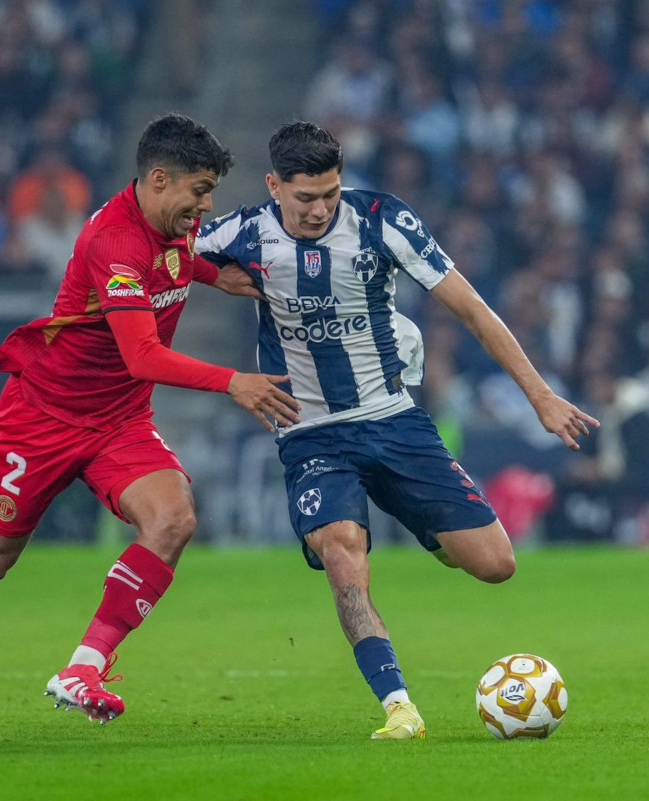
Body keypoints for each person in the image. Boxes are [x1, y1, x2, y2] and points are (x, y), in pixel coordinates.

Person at [0, 114, 301, 722]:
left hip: (119, 421)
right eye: (200, 190)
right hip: (43, 417)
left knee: (173, 518)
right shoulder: (114, 241)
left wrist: (225, 277)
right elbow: (142, 356)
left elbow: (179, 261)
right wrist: (232, 380)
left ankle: (84, 667)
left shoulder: (173, 224)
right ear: (159, 179)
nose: (207, 207)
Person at [196, 122, 597, 740]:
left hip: (392, 419)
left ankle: (419, 521)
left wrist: (540, 396)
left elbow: (471, 309)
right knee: (341, 548)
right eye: (305, 198)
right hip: (312, 432)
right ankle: (398, 704)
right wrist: (206, 274)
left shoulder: (383, 219)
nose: (319, 209)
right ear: (274, 187)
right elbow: (146, 253)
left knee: (496, 565)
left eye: (330, 194)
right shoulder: (242, 232)